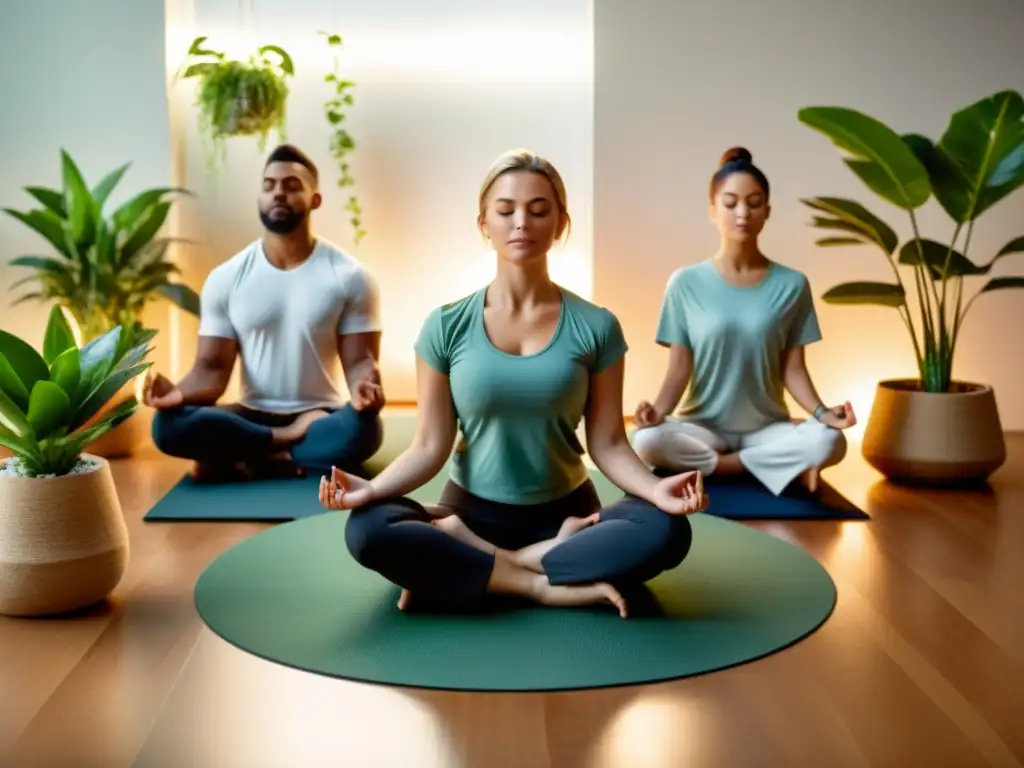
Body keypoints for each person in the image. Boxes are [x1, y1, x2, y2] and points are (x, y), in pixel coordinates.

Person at [316, 149, 708, 619]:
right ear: (484, 223)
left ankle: (473, 566)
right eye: (506, 210)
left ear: (560, 223)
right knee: (368, 529)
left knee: (666, 532)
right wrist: (372, 491)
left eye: (539, 210)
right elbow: (427, 446)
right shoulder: (444, 326)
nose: (521, 221)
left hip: (569, 519)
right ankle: (538, 585)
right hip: (470, 509)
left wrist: (656, 490)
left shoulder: (597, 327)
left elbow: (608, 444)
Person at [145, 144, 385, 482]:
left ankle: (247, 456)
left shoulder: (350, 277)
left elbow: (361, 362)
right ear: (260, 197)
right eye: (269, 185)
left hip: (320, 416)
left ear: (315, 200)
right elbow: (211, 369)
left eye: (291, 186)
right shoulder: (227, 277)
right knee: (167, 425)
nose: (278, 194)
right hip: (249, 416)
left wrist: (365, 388)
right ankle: (287, 448)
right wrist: (177, 394)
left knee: (363, 430)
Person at [631, 147, 855, 497]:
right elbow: (679, 368)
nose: (742, 212)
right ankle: (767, 467)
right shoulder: (685, 283)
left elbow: (793, 369)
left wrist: (823, 412)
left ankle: (720, 466)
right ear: (712, 210)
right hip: (701, 427)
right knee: (646, 441)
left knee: (830, 442)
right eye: (730, 202)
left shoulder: (792, 284)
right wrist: (656, 412)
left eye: (754, 202)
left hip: (767, 427)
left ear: (767, 211)